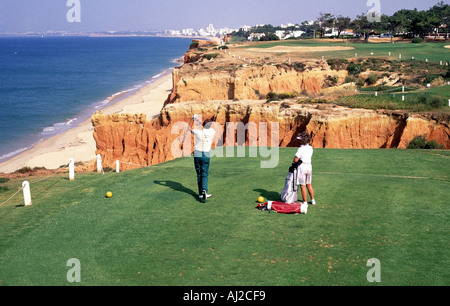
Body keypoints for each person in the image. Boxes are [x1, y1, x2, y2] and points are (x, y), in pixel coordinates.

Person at [188, 115, 216, 203]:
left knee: (199, 173)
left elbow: (189, 128)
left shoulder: (198, 132)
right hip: (206, 154)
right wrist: (201, 123)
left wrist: (192, 119)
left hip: (197, 153)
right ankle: (204, 191)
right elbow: (207, 127)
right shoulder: (212, 132)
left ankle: (201, 193)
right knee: (204, 173)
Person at [292, 131, 315, 214]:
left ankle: (305, 202)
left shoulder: (300, 149)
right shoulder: (310, 148)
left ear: (302, 140)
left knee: (303, 185)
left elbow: (296, 158)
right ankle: (313, 200)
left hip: (302, 168)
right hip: (309, 167)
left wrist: (294, 164)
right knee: (309, 184)